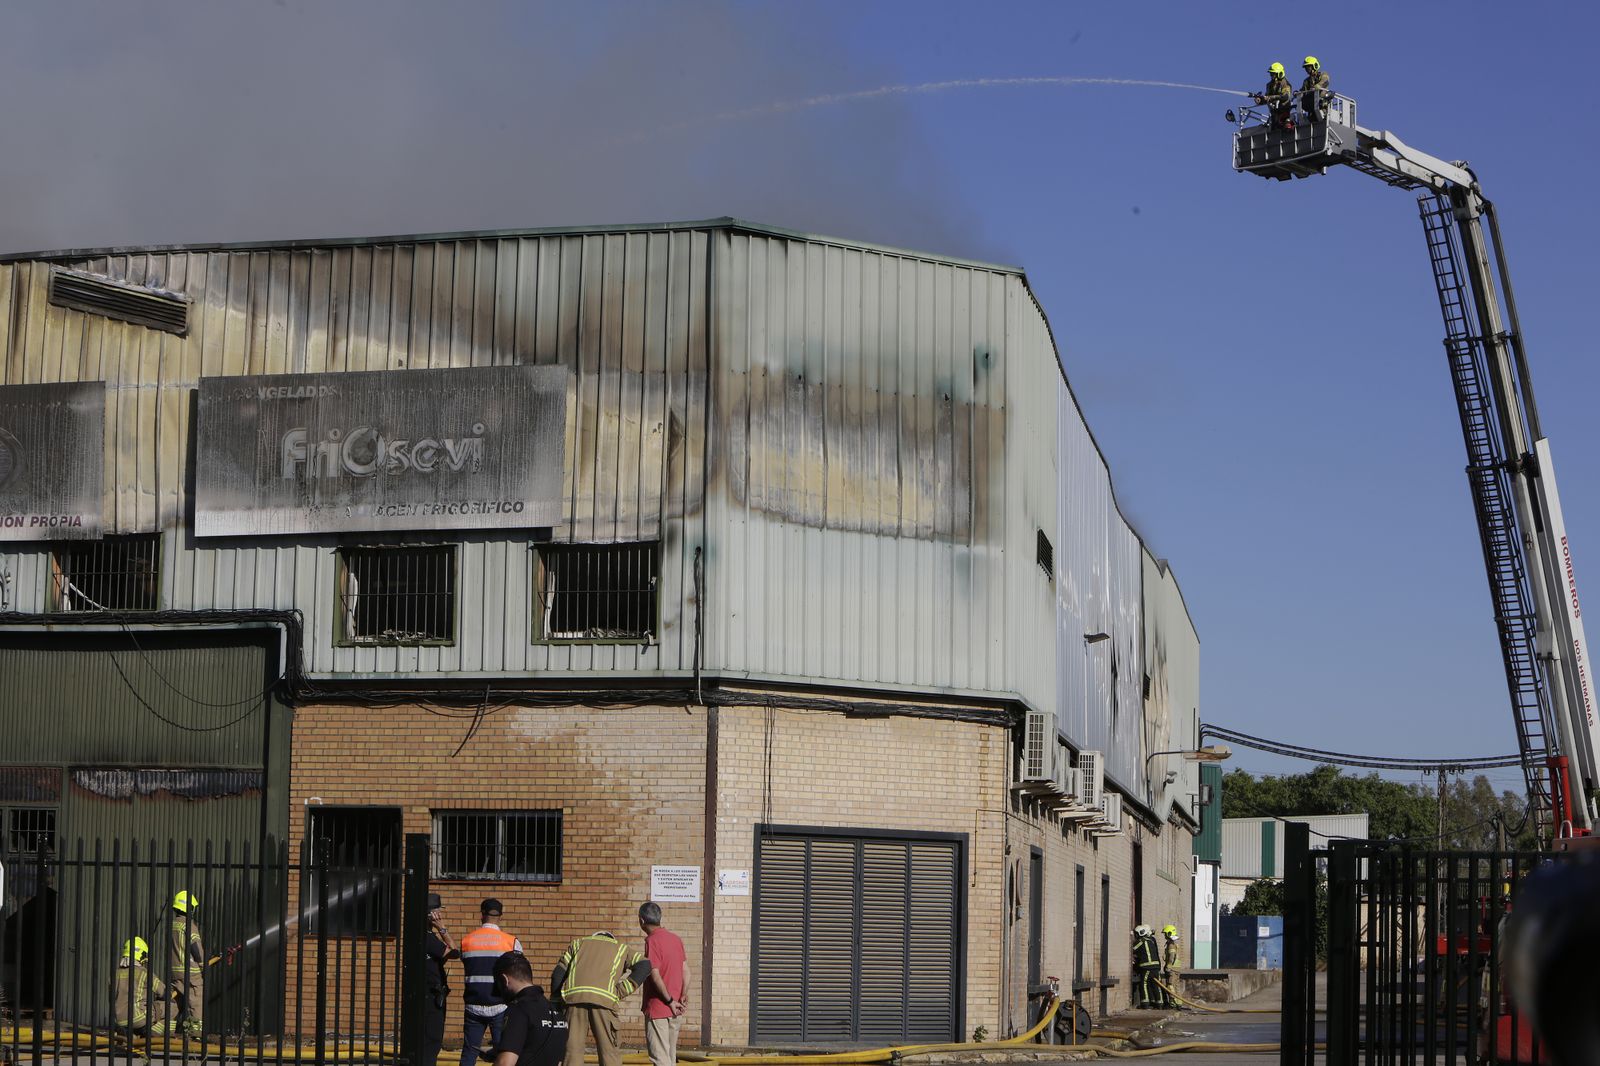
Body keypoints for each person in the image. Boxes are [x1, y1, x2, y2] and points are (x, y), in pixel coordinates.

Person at [551, 930, 651, 1066]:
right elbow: (644, 965)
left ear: (594, 938)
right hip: (604, 1002)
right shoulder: (621, 948)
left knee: (571, 1052)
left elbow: (558, 973)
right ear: (611, 939)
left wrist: (555, 1002)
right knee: (609, 1052)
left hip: (574, 1000)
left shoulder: (578, 944)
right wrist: (620, 991)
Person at [461, 899, 524, 1066]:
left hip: (473, 1005)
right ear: (500, 917)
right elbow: (519, 973)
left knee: (469, 1054)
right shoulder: (511, 942)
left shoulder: (467, 941)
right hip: (500, 1006)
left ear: (482, 915)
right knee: (504, 1054)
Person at [487, 952, 568, 1066]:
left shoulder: (518, 1009)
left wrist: (500, 1059)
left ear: (504, 980)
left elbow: (505, 1063)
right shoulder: (555, 1012)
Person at [637, 903, 689, 1066]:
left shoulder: (652, 941)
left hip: (659, 1007)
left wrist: (668, 1001)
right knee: (670, 1057)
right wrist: (682, 995)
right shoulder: (676, 940)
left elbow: (655, 974)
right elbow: (686, 971)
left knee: (660, 1059)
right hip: (676, 1009)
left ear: (641, 920)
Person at [424, 893, 460, 1066]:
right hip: (431, 996)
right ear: (432, 914)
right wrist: (442, 928)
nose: (441, 914)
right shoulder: (428, 938)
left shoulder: (425, 936)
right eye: (438, 911)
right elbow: (455, 952)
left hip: (430, 995)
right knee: (432, 1038)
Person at [113, 937, 176, 1035]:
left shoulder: (115, 974)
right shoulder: (144, 973)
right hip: (138, 1018)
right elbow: (164, 993)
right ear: (140, 954)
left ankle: (131, 1032)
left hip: (119, 1020)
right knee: (172, 1007)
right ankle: (154, 1033)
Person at [169, 891, 205, 1036]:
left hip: (175, 971)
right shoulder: (189, 925)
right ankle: (195, 1035)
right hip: (191, 972)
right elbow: (195, 947)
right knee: (195, 1001)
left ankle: (167, 1030)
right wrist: (203, 963)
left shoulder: (174, 925)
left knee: (177, 1001)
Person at [1254, 62, 1293, 130]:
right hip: (1274, 113)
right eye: (1271, 74)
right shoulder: (1269, 85)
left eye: (1273, 74)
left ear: (1279, 74)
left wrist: (1271, 98)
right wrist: (1260, 100)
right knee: (1273, 128)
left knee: (1286, 126)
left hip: (1284, 110)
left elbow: (1285, 96)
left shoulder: (1285, 83)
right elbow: (1267, 98)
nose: (1271, 75)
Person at [1131, 925, 1161, 1009]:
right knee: (1156, 985)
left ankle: (1145, 1003)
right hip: (1155, 967)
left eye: (1136, 934)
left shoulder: (1140, 941)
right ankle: (1159, 1003)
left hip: (1147, 967)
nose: (1136, 936)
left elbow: (1131, 949)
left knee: (1144, 984)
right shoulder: (1151, 941)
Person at [1299, 57, 1330, 122]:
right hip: (1311, 106)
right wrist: (1298, 93)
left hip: (1321, 105)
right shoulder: (1306, 81)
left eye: (1308, 67)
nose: (1307, 69)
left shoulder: (1323, 75)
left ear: (1314, 66)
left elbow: (1325, 81)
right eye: (1306, 68)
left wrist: (1317, 86)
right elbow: (1302, 91)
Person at [1159, 925, 1182, 1008]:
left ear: (1169, 933)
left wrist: (1168, 966)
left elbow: (1172, 956)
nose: (1164, 936)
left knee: (1170, 985)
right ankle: (1178, 1003)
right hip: (1176, 969)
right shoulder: (1174, 943)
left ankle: (1173, 1003)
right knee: (1176, 986)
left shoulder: (1171, 945)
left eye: (1165, 934)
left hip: (1172, 969)